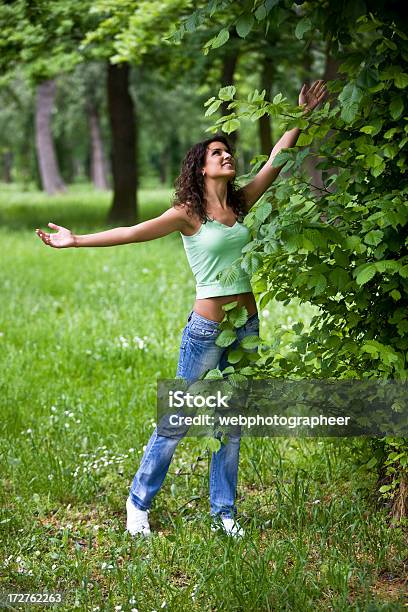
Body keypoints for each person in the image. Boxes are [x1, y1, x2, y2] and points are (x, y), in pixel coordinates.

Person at [36, 80, 327, 537]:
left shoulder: (242, 203)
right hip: (207, 331)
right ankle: (138, 503)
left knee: (230, 425)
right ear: (200, 168)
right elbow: (132, 232)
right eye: (217, 153)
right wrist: (76, 241)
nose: (226, 156)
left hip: (246, 326)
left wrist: (301, 117)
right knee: (176, 421)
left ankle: (224, 513)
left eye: (228, 152)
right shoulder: (187, 215)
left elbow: (276, 160)